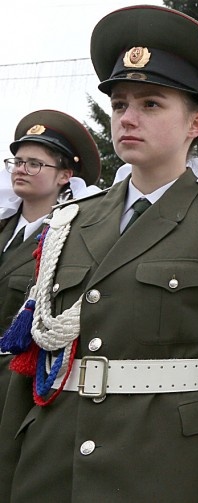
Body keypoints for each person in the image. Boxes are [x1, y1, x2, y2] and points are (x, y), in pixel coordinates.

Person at [0, 6, 198, 502]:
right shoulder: (73, 219)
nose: (127, 118)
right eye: (119, 104)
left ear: (195, 123)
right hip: (52, 463)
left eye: (151, 104)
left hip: (162, 470)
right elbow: (33, 358)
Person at [0, 110, 101, 420]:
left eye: (35, 164)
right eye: (17, 162)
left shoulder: (69, 240)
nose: (22, 170)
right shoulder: (3, 226)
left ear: (64, 176)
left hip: (14, 386)